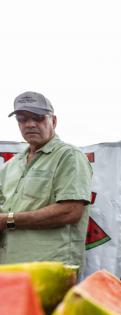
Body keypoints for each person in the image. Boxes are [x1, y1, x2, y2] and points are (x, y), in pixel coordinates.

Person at [0, 91, 93, 269]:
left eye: (38, 118)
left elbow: (70, 211)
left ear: (54, 121)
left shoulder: (69, 156)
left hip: (50, 269)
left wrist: (7, 220)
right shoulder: (12, 165)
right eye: (22, 119)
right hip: (9, 268)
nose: (30, 124)